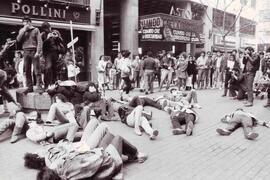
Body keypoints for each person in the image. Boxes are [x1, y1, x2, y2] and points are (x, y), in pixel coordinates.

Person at [24, 119, 148, 180]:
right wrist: (98, 151)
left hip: (89, 154)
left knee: (108, 135)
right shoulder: (60, 165)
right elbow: (94, 159)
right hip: (103, 160)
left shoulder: (59, 169)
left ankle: (133, 155)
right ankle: (136, 155)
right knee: (116, 137)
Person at [16, 16, 42, 94]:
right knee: (27, 71)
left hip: (34, 51)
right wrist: (24, 30)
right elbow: (18, 39)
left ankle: (39, 86)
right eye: (24, 22)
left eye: (27, 21)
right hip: (25, 51)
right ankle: (29, 87)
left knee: (37, 70)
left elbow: (40, 41)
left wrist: (38, 52)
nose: (26, 23)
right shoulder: (22, 30)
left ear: (30, 22)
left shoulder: (36, 29)